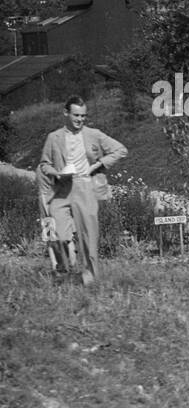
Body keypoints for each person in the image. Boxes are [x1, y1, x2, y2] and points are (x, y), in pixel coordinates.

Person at [37, 96, 128, 285]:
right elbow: (44, 164)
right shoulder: (54, 137)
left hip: (86, 187)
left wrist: (97, 166)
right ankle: (62, 272)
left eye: (83, 116)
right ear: (66, 113)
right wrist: (57, 173)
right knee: (59, 235)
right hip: (61, 190)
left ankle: (89, 279)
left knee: (88, 237)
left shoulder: (94, 134)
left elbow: (120, 150)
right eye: (76, 115)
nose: (80, 119)